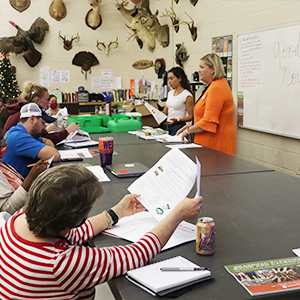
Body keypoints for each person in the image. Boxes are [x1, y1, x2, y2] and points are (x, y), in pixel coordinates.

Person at [0, 164, 203, 300]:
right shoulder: (60, 262)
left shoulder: (17, 219)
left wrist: (117, 212)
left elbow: (73, 233)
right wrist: (177, 214)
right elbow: (137, 254)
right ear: (76, 219)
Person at [177, 53, 237, 155]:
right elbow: (204, 116)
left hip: (216, 147)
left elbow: (209, 121)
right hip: (207, 146)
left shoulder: (217, 87)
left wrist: (188, 131)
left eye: (202, 67)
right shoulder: (213, 86)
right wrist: (189, 125)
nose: (198, 71)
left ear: (212, 69)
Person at [3, 82, 80, 144]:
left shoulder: (25, 110)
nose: (48, 103)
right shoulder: (26, 114)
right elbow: (46, 138)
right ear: (37, 101)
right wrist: (67, 131)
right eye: (47, 100)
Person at [2, 103, 61, 177]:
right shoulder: (19, 137)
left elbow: (47, 141)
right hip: (16, 187)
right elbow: (55, 156)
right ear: (32, 119)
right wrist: (48, 150)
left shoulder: (18, 131)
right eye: (43, 123)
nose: (44, 128)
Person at [162, 67, 194, 135]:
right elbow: (165, 112)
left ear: (179, 78)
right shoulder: (170, 93)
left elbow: (191, 116)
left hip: (179, 126)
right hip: (168, 125)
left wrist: (178, 119)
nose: (169, 82)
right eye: (168, 79)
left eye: (172, 79)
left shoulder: (187, 95)